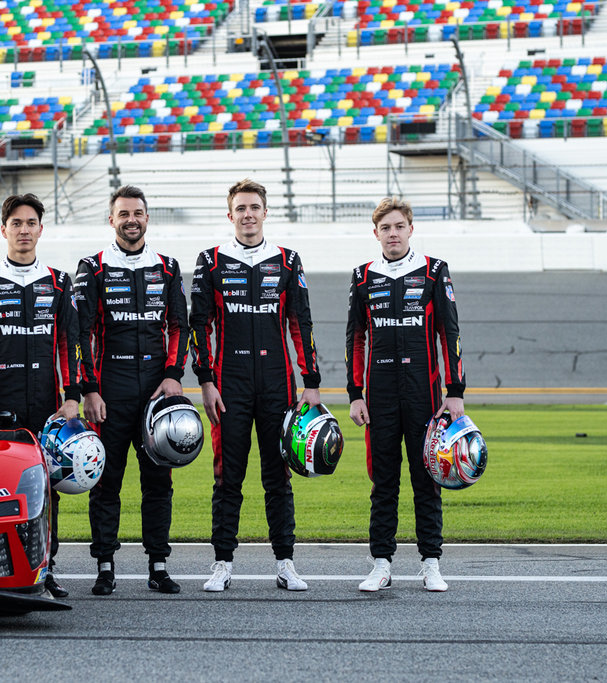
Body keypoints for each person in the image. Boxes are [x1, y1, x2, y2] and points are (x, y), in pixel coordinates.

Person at [190, 178, 320, 592]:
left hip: (277, 384)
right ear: (230, 215)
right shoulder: (210, 261)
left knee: (278, 477)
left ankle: (285, 563)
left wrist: (310, 382)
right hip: (228, 386)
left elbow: (301, 324)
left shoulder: (287, 260)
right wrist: (206, 381)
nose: (248, 214)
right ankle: (222, 563)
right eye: (240, 208)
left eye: (254, 207)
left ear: (266, 212)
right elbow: (199, 326)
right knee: (227, 477)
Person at [0, 193, 81, 599]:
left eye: (31, 222)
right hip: (1, 410)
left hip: (48, 407)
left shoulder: (60, 282)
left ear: (41, 229)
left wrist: (73, 396)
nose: (24, 230)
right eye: (17, 223)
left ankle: (48, 571)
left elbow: (71, 343)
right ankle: (0, 571)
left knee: (46, 491)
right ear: (4, 230)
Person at [344, 196, 465, 593]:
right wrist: (355, 393)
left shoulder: (433, 271)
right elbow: (355, 338)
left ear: (411, 229)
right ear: (375, 233)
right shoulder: (363, 276)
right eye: (385, 228)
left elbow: (450, 333)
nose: (392, 234)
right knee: (383, 481)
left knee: (427, 477)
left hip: (424, 394)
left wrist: (455, 391)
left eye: (399, 227)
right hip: (378, 395)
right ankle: (381, 563)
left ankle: (431, 562)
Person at [74, 185, 189, 596]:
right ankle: (105, 566)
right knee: (105, 480)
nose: (131, 220)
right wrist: (89, 388)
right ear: (112, 220)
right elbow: (80, 333)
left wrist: (174, 375)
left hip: (157, 393)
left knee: (159, 482)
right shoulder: (93, 267)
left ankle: (158, 566)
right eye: (123, 214)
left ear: (147, 217)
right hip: (110, 391)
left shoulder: (169, 267)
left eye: (138, 213)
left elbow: (180, 326)